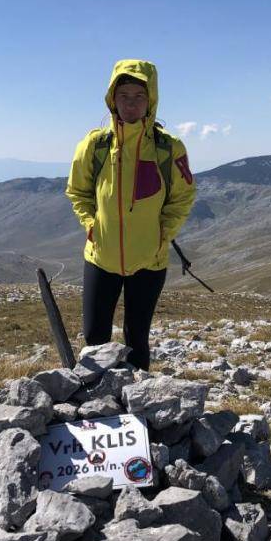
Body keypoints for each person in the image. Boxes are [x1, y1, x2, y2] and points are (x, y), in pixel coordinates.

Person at [65, 59, 197, 371]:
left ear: (151, 100)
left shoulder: (169, 148)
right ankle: (98, 396)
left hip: (150, 261)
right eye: (123, 95)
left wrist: (163, 235)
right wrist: (91, 226)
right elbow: (78, 191)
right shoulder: (95, 145)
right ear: (112, 99)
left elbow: (182, 197)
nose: (131, 103)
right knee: (94, 338)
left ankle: (138, 396)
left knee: (137, 338)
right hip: (101, 256)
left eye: (139, 96)